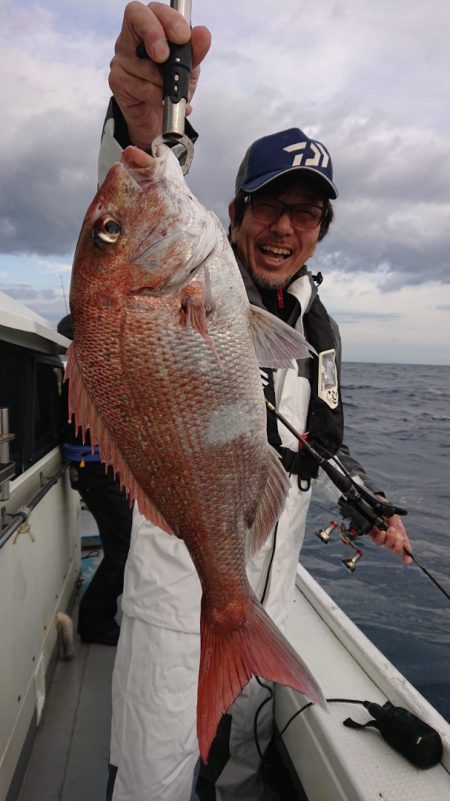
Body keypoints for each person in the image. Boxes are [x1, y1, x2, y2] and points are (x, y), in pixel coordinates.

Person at [93, 4, 412, 799]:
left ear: (321, 231)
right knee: (152, 775)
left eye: (307, 212)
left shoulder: (318, 326)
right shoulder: (199, 281)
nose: (285, 226)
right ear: (229, 214)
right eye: (270, 203)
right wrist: (139, 118)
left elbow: (321, 438)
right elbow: (133, 209)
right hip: (179, 590)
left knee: (220, 747)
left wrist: (374, 504)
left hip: (258, 592)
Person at [58, 314, 133, 646]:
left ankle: (98, 614)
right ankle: (95, 620)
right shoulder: (86, 373)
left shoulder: (82, 372)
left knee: (121, 545)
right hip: (95, 473)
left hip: (99, 471)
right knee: (123, 549)